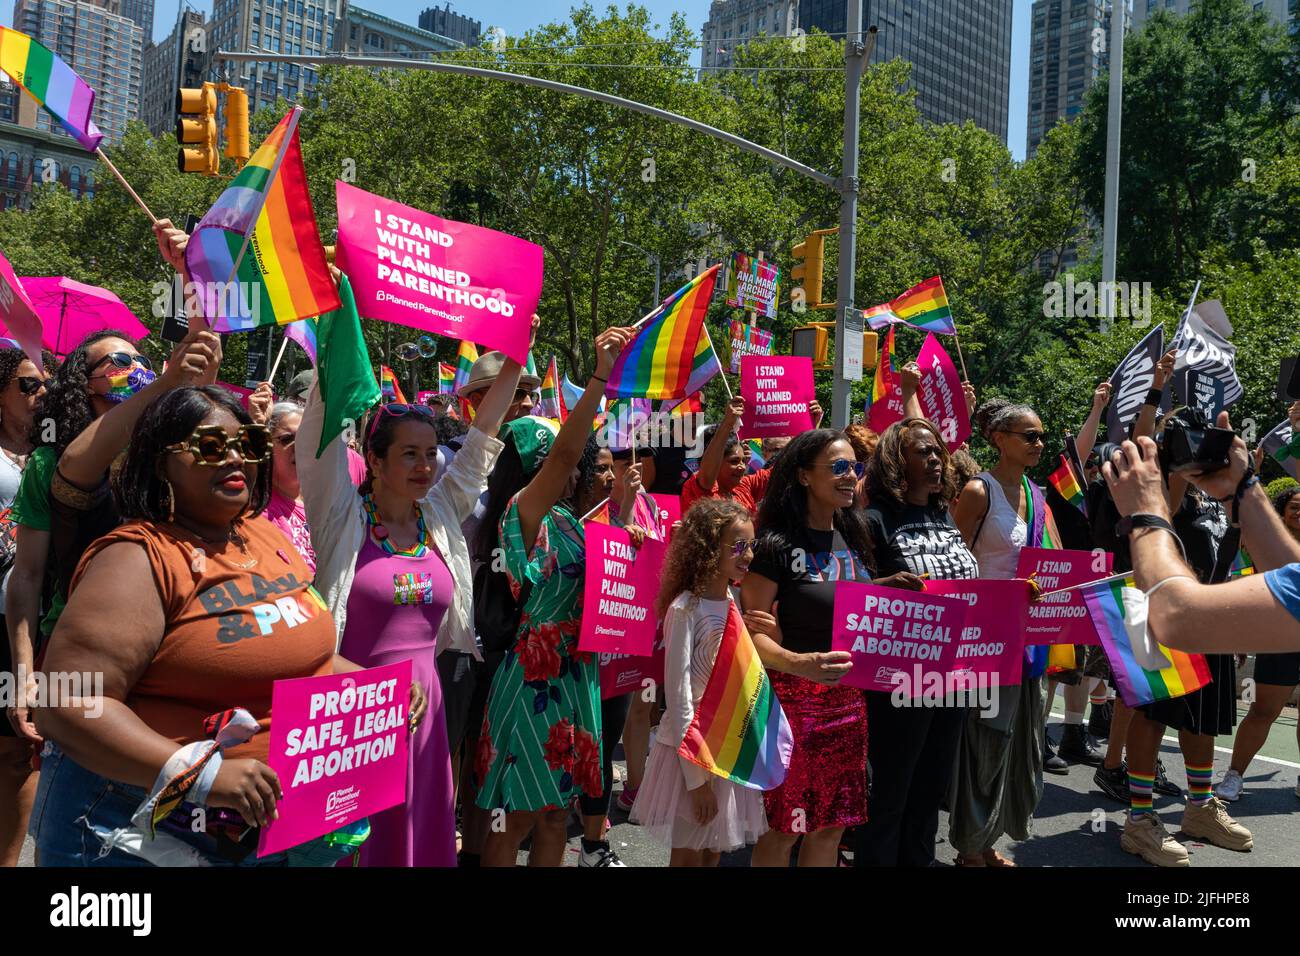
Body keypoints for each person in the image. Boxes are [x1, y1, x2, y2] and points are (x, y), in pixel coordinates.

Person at [30, 386, 423, 866]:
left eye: (251, 444)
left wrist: (366, 688)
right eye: (212, 446)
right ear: (160, 462)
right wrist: (197, 773)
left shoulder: (263, 532)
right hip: (139, 830)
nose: (237, 458)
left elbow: (304, 655)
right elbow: (66, 702)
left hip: (268, 827)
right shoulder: (136, 557)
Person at [296, 312, 525, 867]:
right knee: (351, 850)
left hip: (427, 712)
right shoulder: (339, 516)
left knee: (415, 844)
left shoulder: (441, 513)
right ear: (373, 460)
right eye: (408, 454)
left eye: (430, 453)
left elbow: (480, 441)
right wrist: (334, 324)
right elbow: (315, 439)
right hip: (351, 713)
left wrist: (517, 355)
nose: (426, 465)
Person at [473, 326, 633, 867]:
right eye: (553, 460)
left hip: (574, 675)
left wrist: (629, 525)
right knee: (516, 816)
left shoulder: (567, 519)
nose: (569, 468)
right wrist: (599, 376)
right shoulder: (523, 511)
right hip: (533, 678)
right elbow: (566, 455)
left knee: (553, 817)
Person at [741, 428, 892, 867]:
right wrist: (799, 663)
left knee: (830, 826)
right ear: (804, 476)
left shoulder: (858, 537)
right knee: (785, 827)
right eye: (838, 467)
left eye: (855, 468)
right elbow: (753, 636)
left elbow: (841, 599)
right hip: (794, 708)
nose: (851, 476)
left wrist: (888, 589)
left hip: (850, 706)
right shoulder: (774, 548)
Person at [857, 417, 979, 867]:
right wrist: (883, 585)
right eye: (922, 452)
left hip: (953, 676)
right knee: (891, 793)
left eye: (936, 452)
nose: (934, 459)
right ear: (895, 461)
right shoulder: (873, 520)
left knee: (930, 791)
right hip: (898, 680)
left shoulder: (942, 513)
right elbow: (852, 593)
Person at [949, 398, 1057, 866]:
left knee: (1019, 741)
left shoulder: (1037, 495)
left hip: (1027, 635)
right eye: (1029, 436)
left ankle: (990, 839)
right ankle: (971, 846)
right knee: (986, 741)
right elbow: (949, 563)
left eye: (1041, 436)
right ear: (999, 439)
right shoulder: (978, 491)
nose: (1039, 444)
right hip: (983, 635)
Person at [631, 497, 768, 864]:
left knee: (712, 854)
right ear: (709, 548)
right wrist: (696, 781)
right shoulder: (684, 609)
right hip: (691, 754)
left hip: (726, 747)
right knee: (689, 855)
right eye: (738, 546)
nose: (748, 555)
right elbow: (678, 699)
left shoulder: (735, 602)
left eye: (751, 546)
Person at [0, 347, 44, 867]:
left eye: (42, 385)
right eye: (28, 385)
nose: (40, 395)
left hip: (21, 619)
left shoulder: (53, 446)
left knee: (19, 752)